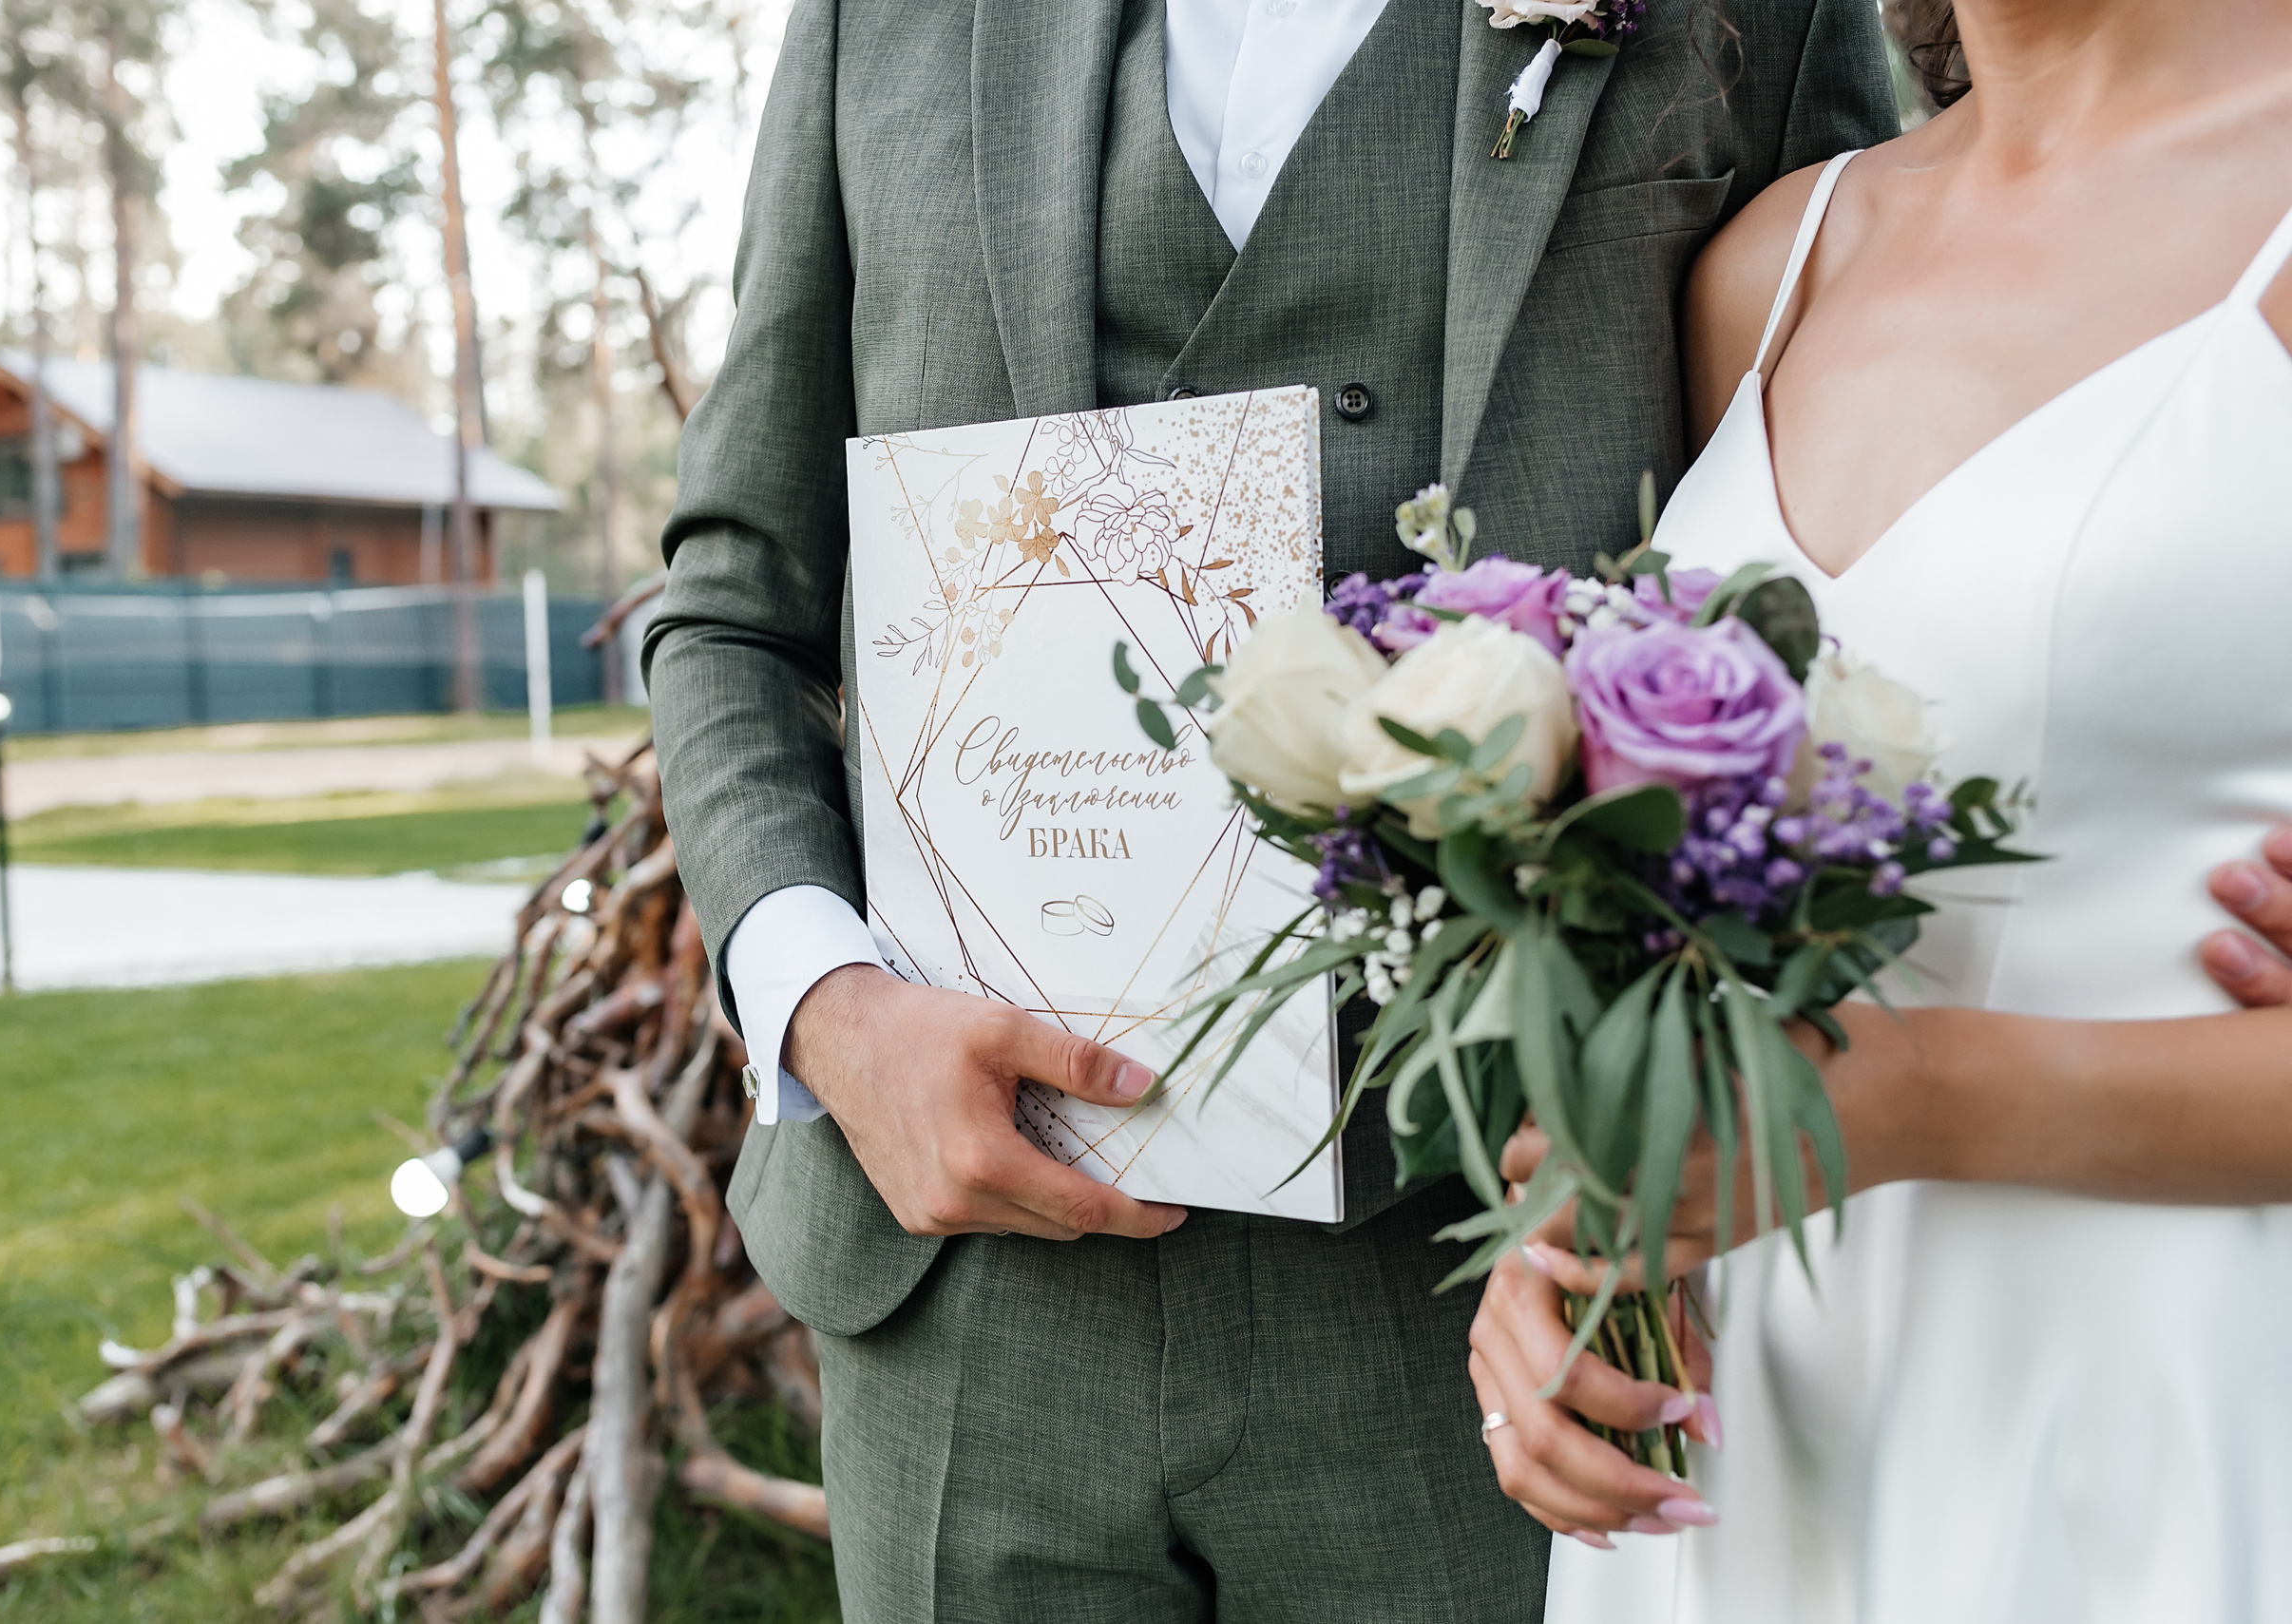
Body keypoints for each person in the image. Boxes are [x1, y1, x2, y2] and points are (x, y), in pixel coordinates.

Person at [645, 1, 1900, 1617]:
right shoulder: (872, 25)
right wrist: (823, 1006)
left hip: (1496, 1281)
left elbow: (1872, 541)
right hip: (970, 1309)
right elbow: (733, 602)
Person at [1464, 1, 2292, 1619]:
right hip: (1748, 1473)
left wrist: (1900, 1096)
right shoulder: (1773, 265)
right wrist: (1560, 1256)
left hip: (2163, 1447)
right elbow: (1697, 917)